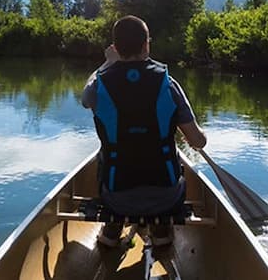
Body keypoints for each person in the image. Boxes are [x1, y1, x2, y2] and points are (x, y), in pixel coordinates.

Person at [81, 15, 207, 248]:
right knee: (175, 156)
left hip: (116, 199)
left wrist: (107, 63)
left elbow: (85, 98)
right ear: (146, 45)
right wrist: (192, 136)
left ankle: (112, 228)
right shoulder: (168, 83)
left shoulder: (99, 85)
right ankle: (161, 231)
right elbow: (198, 142)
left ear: (116, 48)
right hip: (166, 199)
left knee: (104, 155)